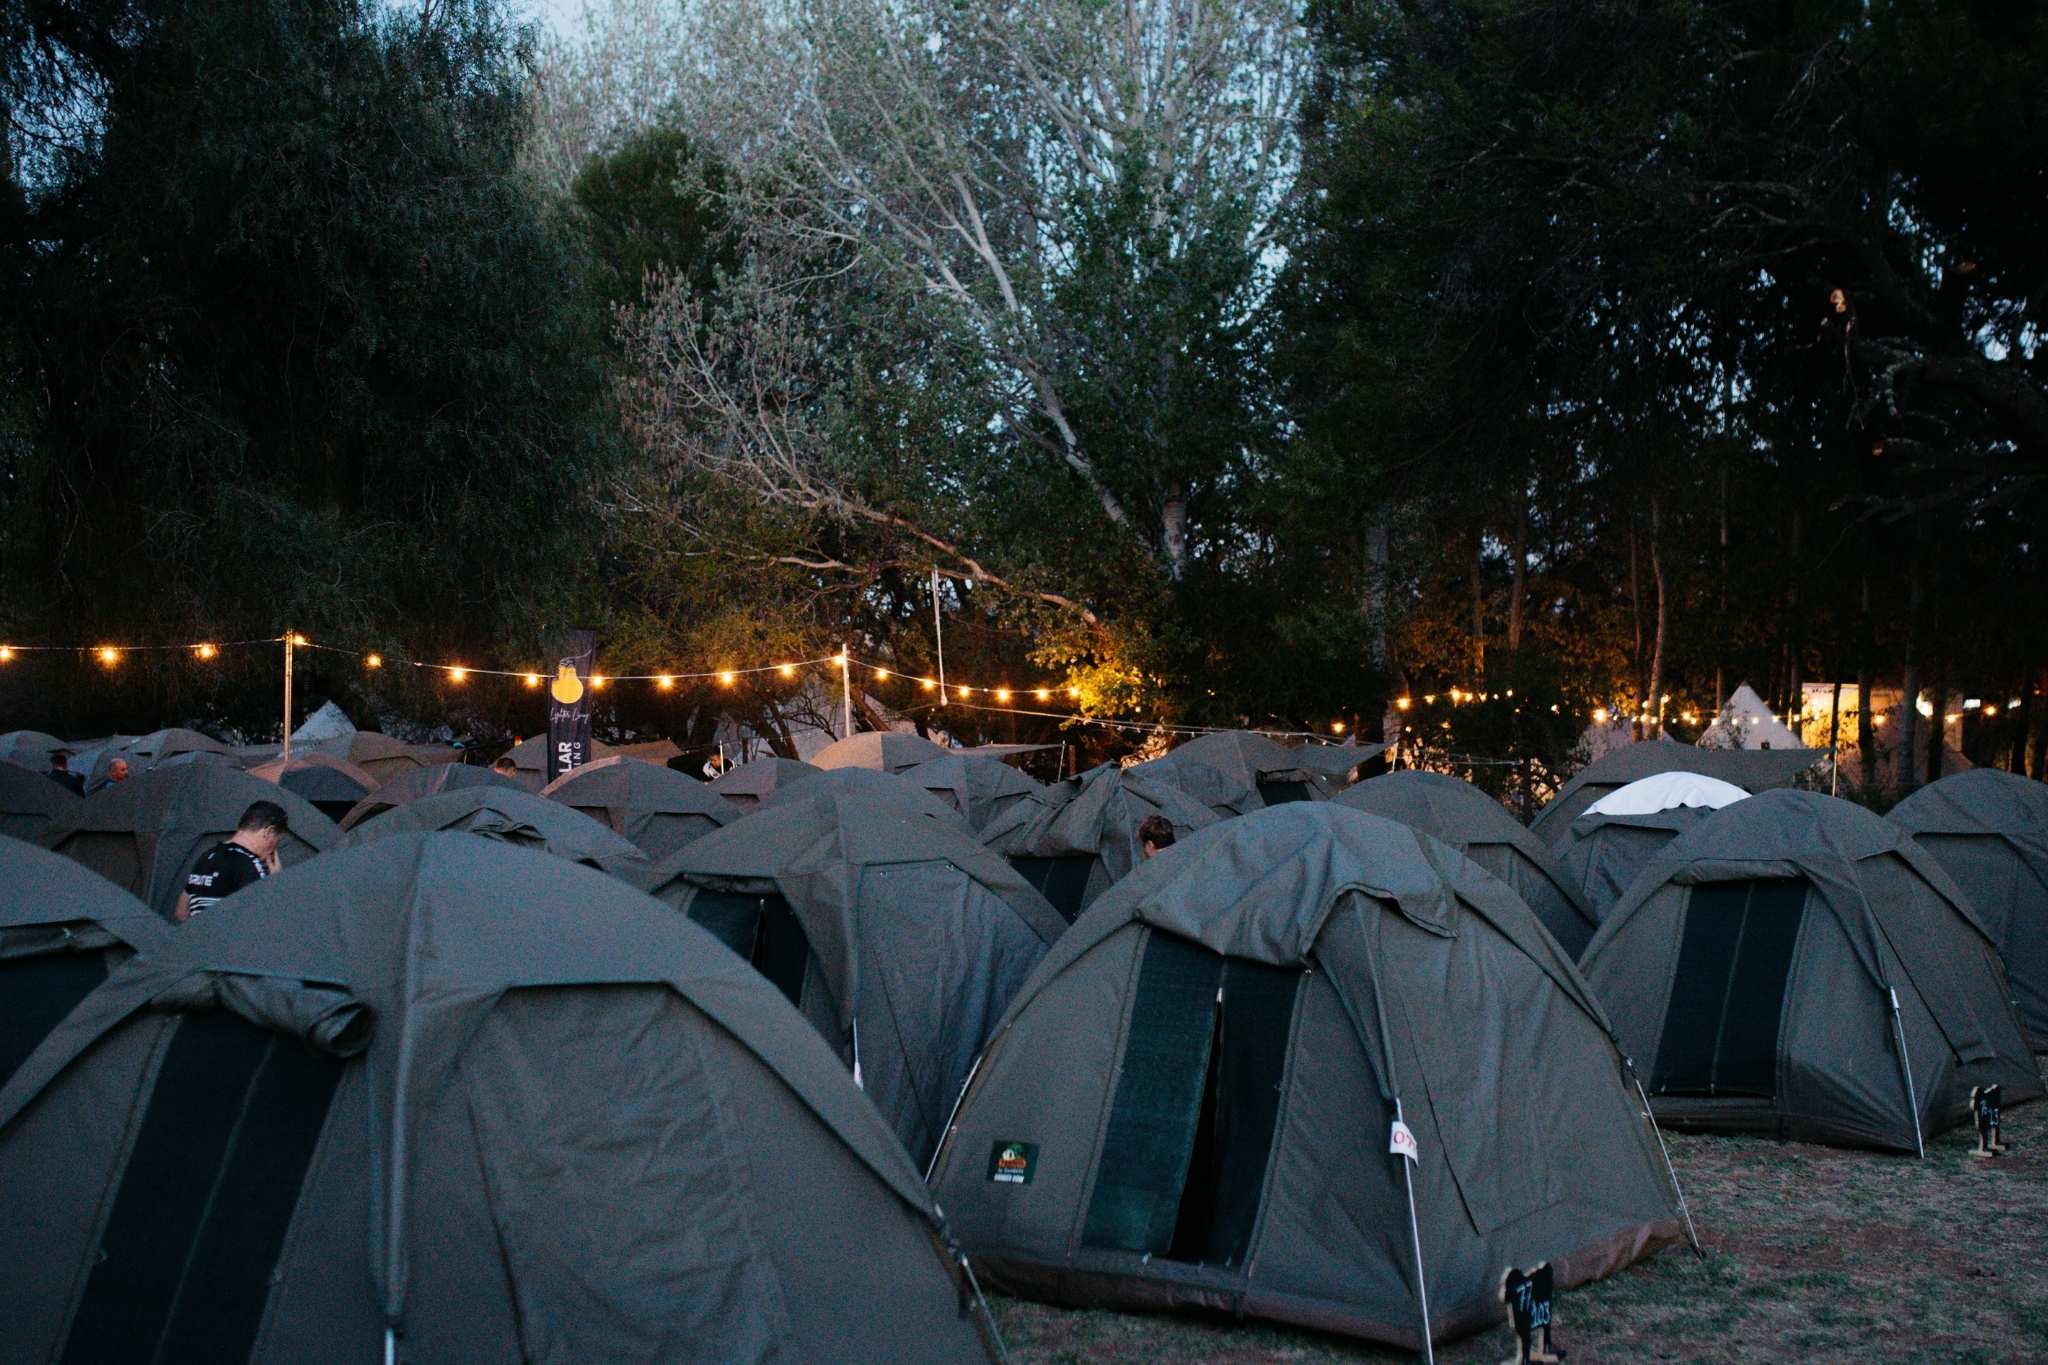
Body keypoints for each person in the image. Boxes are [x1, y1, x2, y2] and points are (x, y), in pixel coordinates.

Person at [174, 800, 290, 922]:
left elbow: (181, 913)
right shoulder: (250, 864)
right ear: (269, 832)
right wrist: (276, 882)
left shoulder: (206, 857)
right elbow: (263, 918)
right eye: (278, 840)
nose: (274, 849)